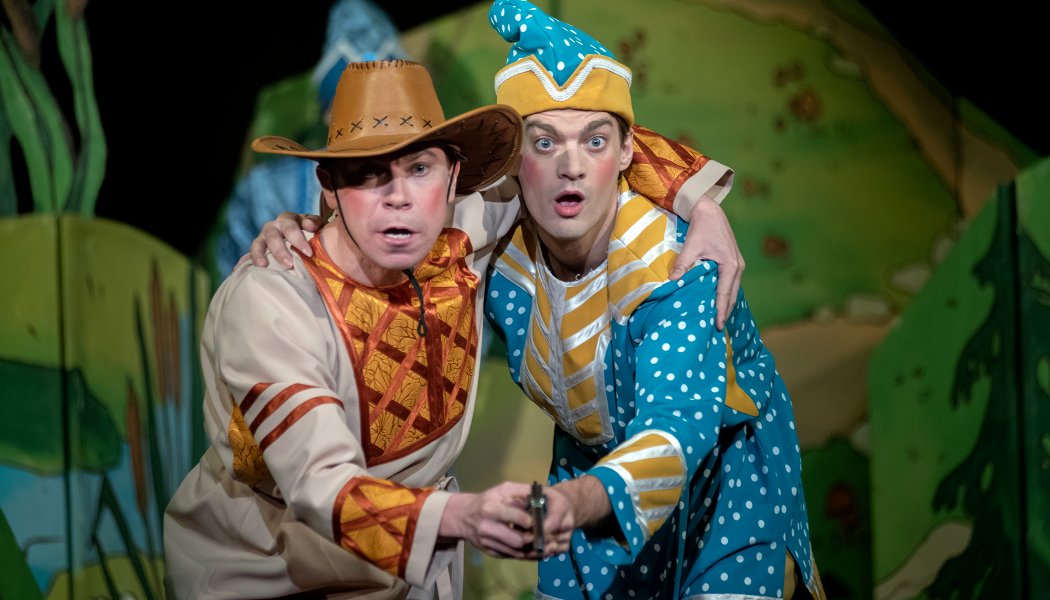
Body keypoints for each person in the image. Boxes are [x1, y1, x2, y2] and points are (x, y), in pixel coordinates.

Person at [481, 2, 825, 598]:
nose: (570, 167)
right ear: (516, 160)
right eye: (544, 143)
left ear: (627, 155)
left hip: (723, 478)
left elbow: (679, 424)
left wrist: (576, 501)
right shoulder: (496, 259)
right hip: (589, 467)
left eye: (594, 141)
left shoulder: (674, 267)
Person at [164, 59, 542, 600]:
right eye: (367, 173)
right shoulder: (273, 301)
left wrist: (695, 207)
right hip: (270, 568)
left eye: (420, 168)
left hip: (413, 570)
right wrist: (461, 515)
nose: (399, 196)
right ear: (329, 186)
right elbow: (319, 484)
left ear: (454, 178)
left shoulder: (462, 230)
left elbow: (587, 153)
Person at [210, 0, 408, 277]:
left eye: (385, 101)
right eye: (351, 103)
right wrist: (267, 262)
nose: (371, 117)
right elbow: (229, 277)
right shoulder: (267, 189)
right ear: (328, 112)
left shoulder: (438, 181)